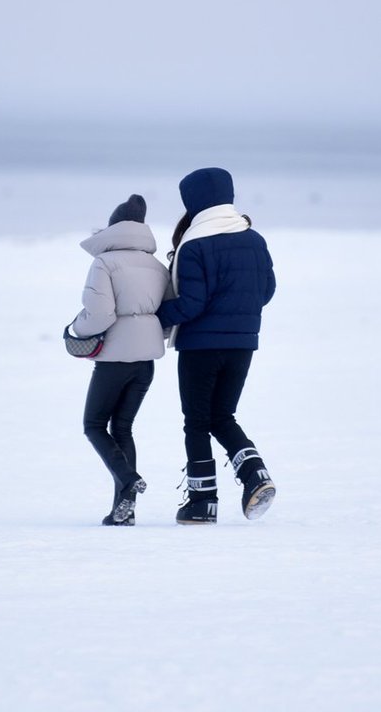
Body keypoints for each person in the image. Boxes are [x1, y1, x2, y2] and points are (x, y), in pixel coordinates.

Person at [156, 167, 276, 525]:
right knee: (222, 416)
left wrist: (154, 315)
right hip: (243, 343)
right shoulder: (254, 239)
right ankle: (255, 474)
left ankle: (202, 501)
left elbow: (192, 304)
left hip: (200, 347)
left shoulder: (194, 243)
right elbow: (266, 291)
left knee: (196, 421)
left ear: (192, 201)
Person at [67, 194, 170, 526]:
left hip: (114, 361)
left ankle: (128, 479)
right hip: (146, 362)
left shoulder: (105, 263)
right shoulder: (157, 266)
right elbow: (166, 316)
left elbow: (99, 315)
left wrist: (73, 332)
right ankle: (123, 512)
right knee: (122, 427)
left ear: (113, 229)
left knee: (94, 425)